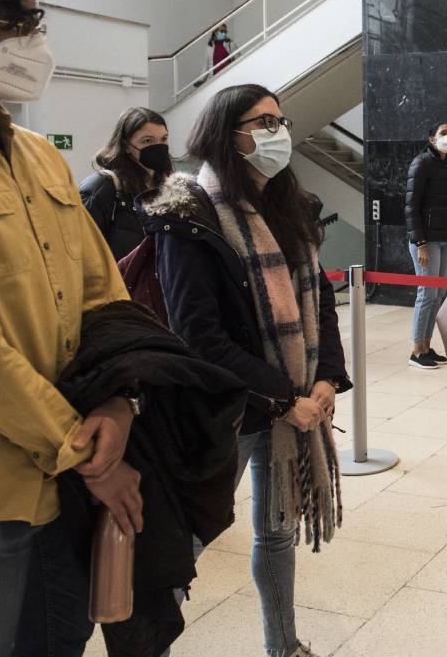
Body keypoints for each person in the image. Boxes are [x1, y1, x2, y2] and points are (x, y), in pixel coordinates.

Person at [0, 0, 142, 657]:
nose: (35, 41)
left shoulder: (39, 154)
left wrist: (117, 403)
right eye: (18, 24)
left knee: (57, 642)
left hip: (74, 473)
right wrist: (87, 449)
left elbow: (101, 291)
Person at [141, 83, 351, 657]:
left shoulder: (292, 205)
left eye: (280, 121)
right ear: (226, 134)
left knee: (278, 531)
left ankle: (283, 645)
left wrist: (328, 377)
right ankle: (145, 643)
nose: (276, 133)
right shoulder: (188, 213)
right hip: (229, 406)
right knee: (189, 539)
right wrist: (284, 398)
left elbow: (322, 300)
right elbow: (198, 335)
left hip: (294, 401)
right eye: (261, 123)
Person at [404, 120, 447, 369]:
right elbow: (411, 206)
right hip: (427, 239)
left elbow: (443, 200)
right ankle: (416, 351)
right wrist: (419, 242)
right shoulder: (421, 163)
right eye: (444, 133)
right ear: (432, 139)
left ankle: (427, 347)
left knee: (439, 295)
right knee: (427, 294)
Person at [80, 106, 172, 260]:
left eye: (163, 139)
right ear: (127, 146)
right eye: (147, 140)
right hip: (120, 281)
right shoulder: (103, 187)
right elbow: (83, 252)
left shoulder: (169, 185)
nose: (158, 147)